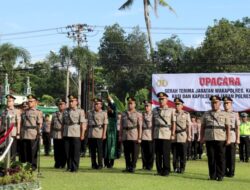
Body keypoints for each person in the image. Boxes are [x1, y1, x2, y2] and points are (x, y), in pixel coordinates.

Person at [200, 95, 230, 181]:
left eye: (216, 102)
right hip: (209, 138)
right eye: (212, 103)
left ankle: (220, 175)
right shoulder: (206, 114)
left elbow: (227, 127)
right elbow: (202, 127)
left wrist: (228, 139)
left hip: (221, 138)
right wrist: (201, 137)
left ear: (220, 103)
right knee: (211, 158)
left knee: (220, 158)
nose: (214, 104)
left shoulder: (225, 114)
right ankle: (212, 175)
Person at [153, 92, 176, 176]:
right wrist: (153, 134)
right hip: (157, 132)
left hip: (166, 133)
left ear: (166, 100)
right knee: (158, 153)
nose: (161, 100)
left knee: (166, 153)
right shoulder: (155, 110)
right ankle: (159, 170)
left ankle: (166, 170)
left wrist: (173, 134)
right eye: (159, 99)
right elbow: (153, 123)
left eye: (163, 99)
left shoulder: (171, 110)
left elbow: (173, 123)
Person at [63, 94, 87, 172]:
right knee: (67, 151)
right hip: (66, 132)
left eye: (72, 101)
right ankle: (69, 166)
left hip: (76, 132)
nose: (71, 103)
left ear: (77, 102)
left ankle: (75, 167)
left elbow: (83, 123)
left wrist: (82, 134)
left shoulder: (80, 111)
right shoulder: (65, 111)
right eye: (70, 101)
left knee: (75, 152)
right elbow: (63, 123)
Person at [119, 97, 142, 173]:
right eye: (128, 103)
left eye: (131, 103)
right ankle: (127, 166)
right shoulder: (124, 113)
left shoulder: (138, 114)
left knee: (135, 152)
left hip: (134, 134)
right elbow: (121, 126)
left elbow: (140, 126)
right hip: (125, 134)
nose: (129, 105)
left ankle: (133, 166)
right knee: (126, 153)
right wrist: (120, 135)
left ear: (135, 104)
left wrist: (139, 137)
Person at [20, 94, 43, 170]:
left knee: (32, 151)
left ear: (35, 102)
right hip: (24, 133)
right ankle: (25, 165)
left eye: (31, 101)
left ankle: (33, 166)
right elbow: (22, 123)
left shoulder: (38, 112)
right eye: (28, 101)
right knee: (25, 151)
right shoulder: (24, 112)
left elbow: (39, 124)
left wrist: (39, 133)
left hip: (33, 133)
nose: (29, 103)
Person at [87, 98, 108, 169]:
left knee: (100, 150)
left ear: (101, 105)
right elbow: (87, 123)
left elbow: (105, 124)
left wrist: (104, 134)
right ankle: (93, 164)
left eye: (97, 104)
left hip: (99, 132)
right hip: (91, 132)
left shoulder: (104, 113)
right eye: (94, 104)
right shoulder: (89, 112)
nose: (95, 105)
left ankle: (100, 164)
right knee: (92, 150)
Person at [172, 98, 191, 174]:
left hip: (183, 135)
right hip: (174, 136)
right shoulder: (172, 113)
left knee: (183, 154)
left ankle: (182, 168)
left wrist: (189, 136)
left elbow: (188, 126)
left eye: (178, 104)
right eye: (176, 104)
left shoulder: (186, 114)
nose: (177, 106)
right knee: (174, 154)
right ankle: (175, 167)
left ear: (182, 105)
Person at [222, 96, 240, 177]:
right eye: (224, 103)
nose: (226, 105)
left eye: (227, 103)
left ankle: (231, 172)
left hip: (232, 136)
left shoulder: (235, 114)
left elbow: (237, 127)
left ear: (231, 104)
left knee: (231, 155)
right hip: (222, 135)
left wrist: (238, 138)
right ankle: (224, 170)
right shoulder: (221, 113)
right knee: (223, 154)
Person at [0, 94, 21, 161]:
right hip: (4, 133)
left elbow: (18, 123)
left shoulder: (17, 111)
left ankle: (12, 166)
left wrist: (18, 133)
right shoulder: (4, 111)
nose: (8, 102)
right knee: (4, 149)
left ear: (13, 102)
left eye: (10, 101)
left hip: (12, 133)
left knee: (12, 150)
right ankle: (4, 164)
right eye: (7, 101)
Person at [51, 98, 67, 168]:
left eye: (62, 104)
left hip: (63, 133)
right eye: (59, 104)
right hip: (56, 133)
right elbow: (52, 124)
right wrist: (50, 133)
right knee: (56, 150)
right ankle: (57, 163)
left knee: (63, 149)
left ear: (65, 105)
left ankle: (63, 163)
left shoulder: (66, 113)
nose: (60, 106)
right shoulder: (55, 114)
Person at [104, 96, 117, 168]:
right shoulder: (106, 115)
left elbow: (114, 108)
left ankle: (111, 162)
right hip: (106, 131)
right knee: (106, 146)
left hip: (112, 131)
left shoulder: (114, 116)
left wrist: (111, 100)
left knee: (112, 146)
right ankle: (106, 162)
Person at [141, 100, 154, 170]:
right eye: (145, 106)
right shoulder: (142, 114)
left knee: (150, 152)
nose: (146, 107)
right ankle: (144, 165)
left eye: (147, 106)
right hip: (143, 134)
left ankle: (149, 166)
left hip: (150, 134)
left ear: (151, 107)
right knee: (143, 152)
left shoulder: (153, 115)